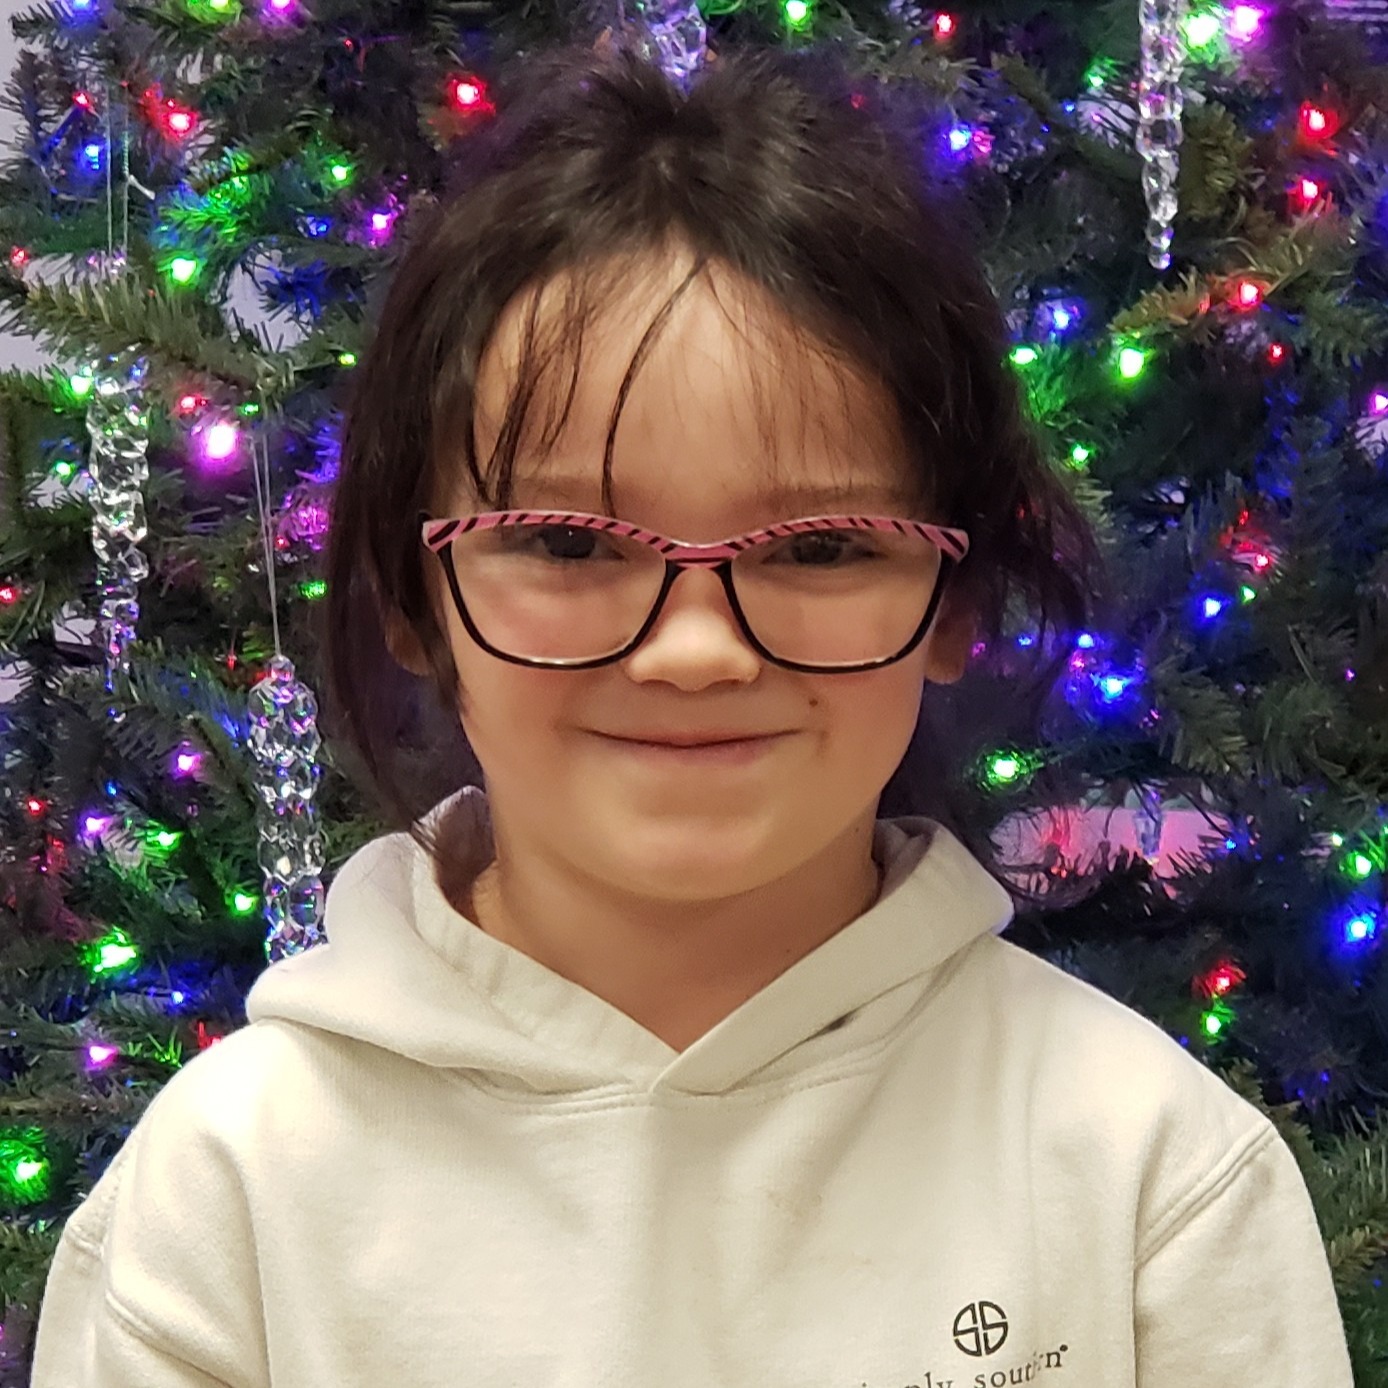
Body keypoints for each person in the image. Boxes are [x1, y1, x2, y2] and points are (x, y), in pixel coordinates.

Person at [30, 33, 1353, 1388]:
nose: (698, 649)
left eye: (823, 548)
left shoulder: (1152, 1180)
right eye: (567, 544)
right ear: (418, 602)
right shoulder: (224, 1204)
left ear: (956, 603)